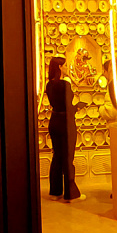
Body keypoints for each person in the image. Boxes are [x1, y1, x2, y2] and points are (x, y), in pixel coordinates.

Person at [44, 56, 82, 201]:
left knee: (57, 156)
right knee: (68, 157)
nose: (67, 67)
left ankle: (55, 191)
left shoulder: (49, 85)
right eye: (65, 65)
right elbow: (68, 106)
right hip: (65, 122)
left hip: (54, 121)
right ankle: (70, 194)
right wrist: (77, 107)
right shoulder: (65, 85)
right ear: (60, 67)